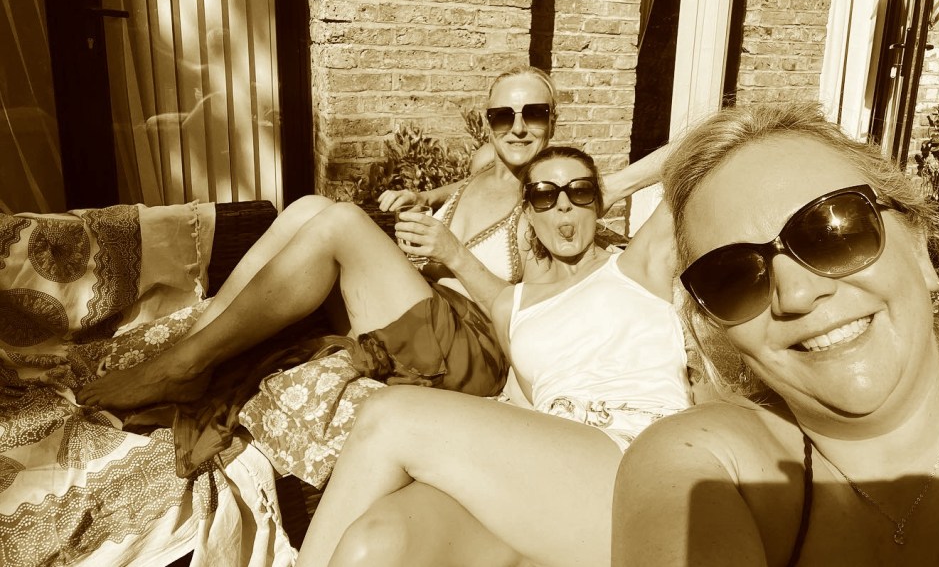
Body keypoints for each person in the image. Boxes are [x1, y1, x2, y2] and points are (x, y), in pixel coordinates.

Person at [78, 66, 664, 409]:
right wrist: (427, 200)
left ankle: (184, 365)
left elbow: (532, 315)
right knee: (309, 206)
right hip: (424, 314)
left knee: (340, 221)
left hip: (472, 350)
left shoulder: (555, 196)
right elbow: (467, 187)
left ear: (552, 120)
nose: (517, 127)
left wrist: (453, 253)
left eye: (533, 114)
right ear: (485, 124)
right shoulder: (488, 163)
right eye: (502, 116)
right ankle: (201, 336)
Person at [612, 102, 939, 567]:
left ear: (919, 250)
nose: (796, 294)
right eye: (733, 276)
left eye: (833, 232)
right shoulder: (705, 467)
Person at [296, 145, 692, 567]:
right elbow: (521, 401)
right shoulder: (511, 306)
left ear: (597, 202)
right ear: (527, 212)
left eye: (579, 191)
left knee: (390, 415)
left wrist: (615, 185)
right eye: (545, 195)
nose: (563, 205)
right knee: (375, 541)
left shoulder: (638, 267)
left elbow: (706, 151)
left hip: (635, 458)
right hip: (546, 477)